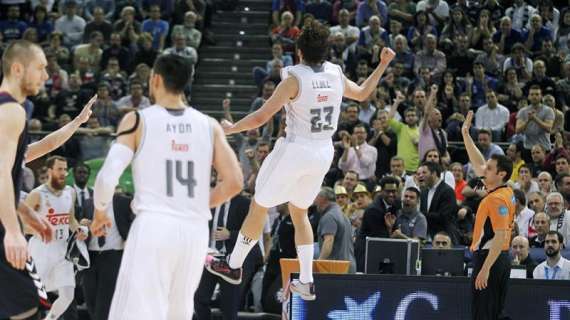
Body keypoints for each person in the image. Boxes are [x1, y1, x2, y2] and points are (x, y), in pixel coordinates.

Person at [205, 20, 396, 300]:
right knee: (299, 212)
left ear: (299, 52)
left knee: (258, 206)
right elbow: (364, 93)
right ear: (326, 51)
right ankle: (306, 281)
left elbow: (261, 117)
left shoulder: (294, 79)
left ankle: (233, 266)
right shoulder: (335, 73)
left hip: (296, 148)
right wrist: (382, 64)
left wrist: (232, 128)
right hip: (322, 153)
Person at [89, 54, 243, 318]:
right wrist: (195, 204)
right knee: (179, 312)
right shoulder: (209, 125)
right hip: (194, 231)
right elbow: (235, 182)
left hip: (154, 225)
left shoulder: (137, 120)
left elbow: (106, 177)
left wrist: (100, 211)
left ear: (155, 80)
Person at [0, 40, 95, 320]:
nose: (46, 75)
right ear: (18, 69)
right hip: (5, 229)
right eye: (40, 68)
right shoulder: (11, 112)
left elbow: (40, 148)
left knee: (28, 305)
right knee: (32, 304)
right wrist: (15, 230)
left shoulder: (12, 110)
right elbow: (2, 173)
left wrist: (76, 123)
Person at [462, 111, 515, 320]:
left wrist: (485, 269)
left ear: (501, 173)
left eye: (490, 169)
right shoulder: (505, 190)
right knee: (494, 313)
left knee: (484, 314)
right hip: (498, 258)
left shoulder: (496, 199)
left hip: (490, 258)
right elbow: (478, 163)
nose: (484, 170)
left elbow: (500, 236)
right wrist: (466, 134)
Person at [23, 156, 88, 320]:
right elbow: (23, 224)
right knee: (33, 294)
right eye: (59, 169)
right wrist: (40, 229)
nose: (63, 173)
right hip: (41, 247)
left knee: (67, 295)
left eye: (65, 169)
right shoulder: (37, 194)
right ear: (49, 170)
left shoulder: (70, 192)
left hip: (62, 248)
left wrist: (79, 229)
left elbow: (71, 219)